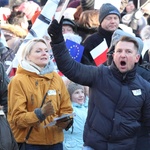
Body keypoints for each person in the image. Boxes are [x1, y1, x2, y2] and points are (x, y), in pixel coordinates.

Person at [47, 17, 150, 150]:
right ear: (113, 55)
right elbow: (70, 67)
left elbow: (147, 128)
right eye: (119, 51)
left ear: (137, 58)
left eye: (128, 51)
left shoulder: (145, 88)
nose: (123, 55)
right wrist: (57, 41)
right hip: (94, 146)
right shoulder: (99, 74)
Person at [7, 38, 73, 150]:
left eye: (46, 51)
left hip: (56, 142)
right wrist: (40, 114)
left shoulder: (56, 78)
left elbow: (67, 108)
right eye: (38, 51)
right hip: (30, 143)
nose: (44, 53)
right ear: (27, 56)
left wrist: (66, 121)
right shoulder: (18, 81)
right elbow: (17, 119)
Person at [63, 82, 88, 150]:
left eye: (82, 92)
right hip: (71, 146)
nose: (81, 95)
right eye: (77, 93)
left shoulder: (87, 108)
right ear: (70, 95)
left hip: (86, 144)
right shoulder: (68, 109)